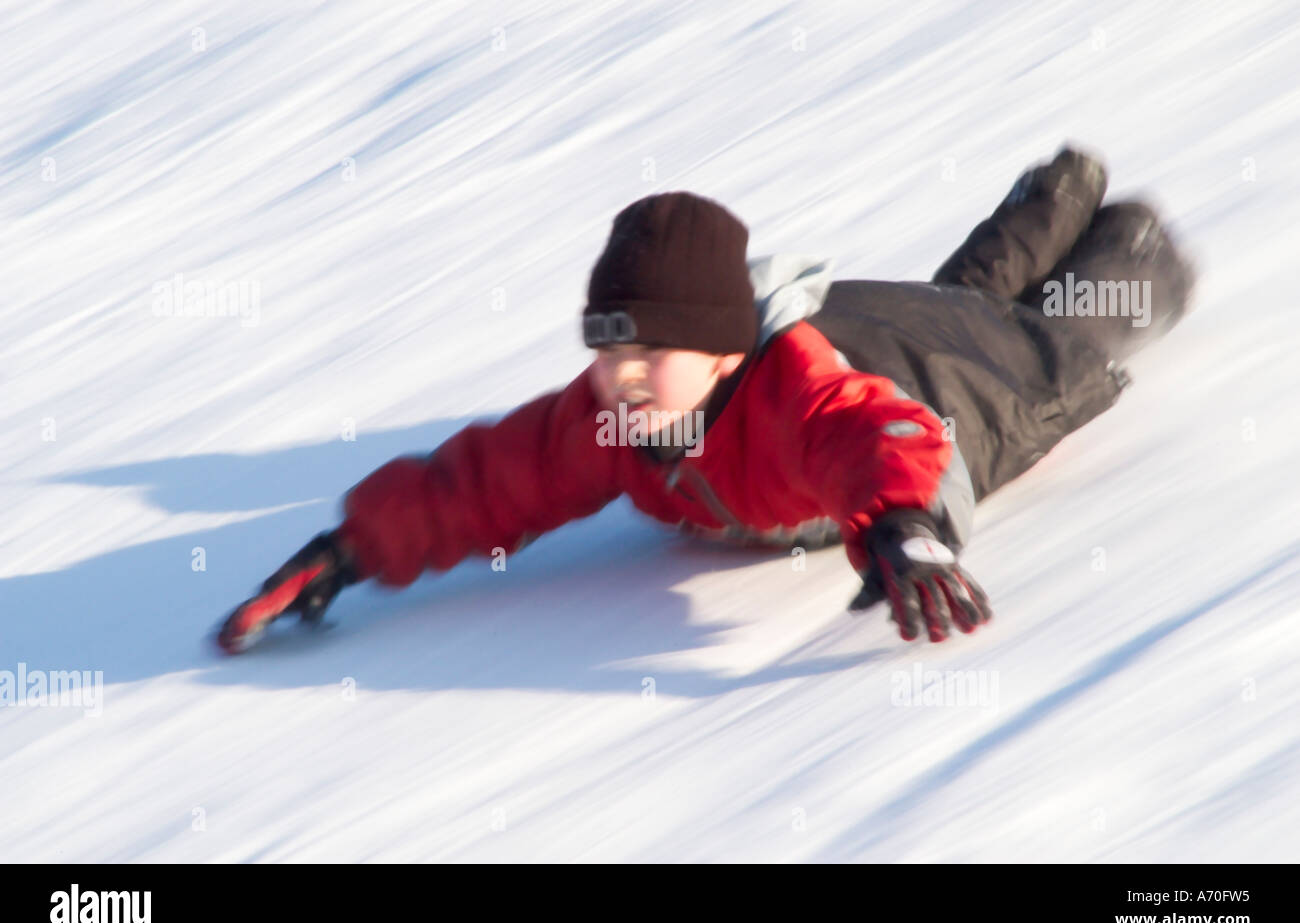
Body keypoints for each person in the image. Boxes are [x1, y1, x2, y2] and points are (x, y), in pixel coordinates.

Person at [216, 146, 1195, 654]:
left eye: (652, 351)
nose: (622, 374)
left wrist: (905, 527)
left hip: (958, 393)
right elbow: (488, 480)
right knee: (959, 297)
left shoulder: (794, 399)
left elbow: (883, 434)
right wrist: (353, 546)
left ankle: (1130, 233)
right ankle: (1055, 191)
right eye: (606, 349)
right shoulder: (617, 418)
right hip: (876, 322)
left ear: (727, 353)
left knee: (1049, 340)